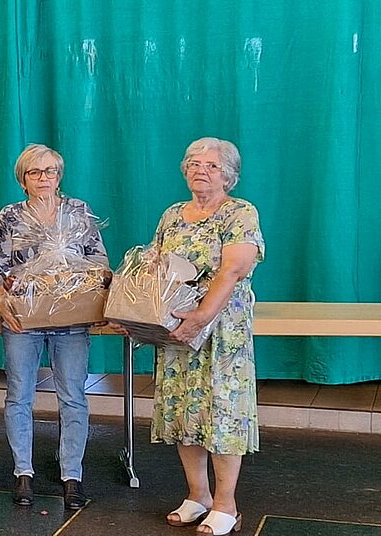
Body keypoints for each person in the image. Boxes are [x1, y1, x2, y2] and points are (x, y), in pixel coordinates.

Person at [151, 138, 264, 536]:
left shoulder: (240, 212)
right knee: (184, 409)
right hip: (177, 328)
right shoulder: (172, 214)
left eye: (212, 165)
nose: (201, 170)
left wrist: (201, 317)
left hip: (221, 333)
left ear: (228, 175)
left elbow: (233, 270)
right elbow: (155, 265)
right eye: (194, 164)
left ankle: (225, 505)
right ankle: (197, 495)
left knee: (223, 413)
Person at [0, 144, 108, 509]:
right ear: (22, 179)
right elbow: (0, 268)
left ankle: (72, 475)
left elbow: (99, 262)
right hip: (24, 318)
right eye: (34, 172)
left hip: (71, 318)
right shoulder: (10, 216)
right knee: (19, 393)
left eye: (50, 171)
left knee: (73, 395)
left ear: (59, 176)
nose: (43, 178)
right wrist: (3, 298)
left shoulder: (78, 212)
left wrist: (95, 295)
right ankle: (22, 472)